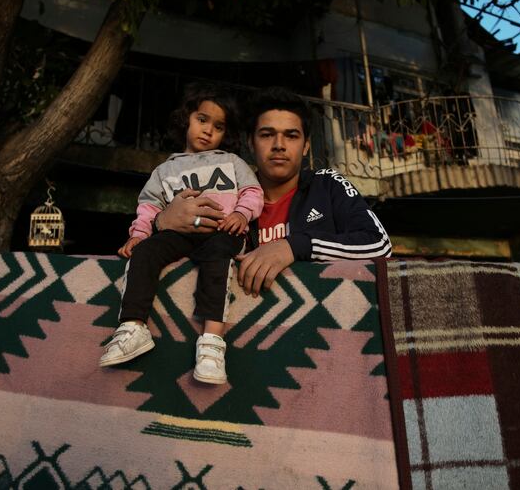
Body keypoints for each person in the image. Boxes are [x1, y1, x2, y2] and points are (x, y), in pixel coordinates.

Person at [151, 86, 391, 298]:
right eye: (267, 134)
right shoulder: (223, 192)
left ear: (306, 145)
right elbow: (166, 252)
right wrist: (160, 222)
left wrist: (293, 246)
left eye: (291, 135)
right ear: (250, 143)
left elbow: (379, 244)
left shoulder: (327, 184)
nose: (279, 144)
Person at [99, 83, 264, 386]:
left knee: (218, 256)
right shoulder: (165, 170)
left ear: (225, 134)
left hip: (221, 231)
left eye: (218, 126)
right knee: (145, 252)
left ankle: (212, 343)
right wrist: (139, 234)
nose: (208, 130)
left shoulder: (232, 162)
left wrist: (241, 214)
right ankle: (133, 327)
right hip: (180, 234)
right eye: (202, 120)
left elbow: (253, 192)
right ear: (186, 119)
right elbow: (149, 206)